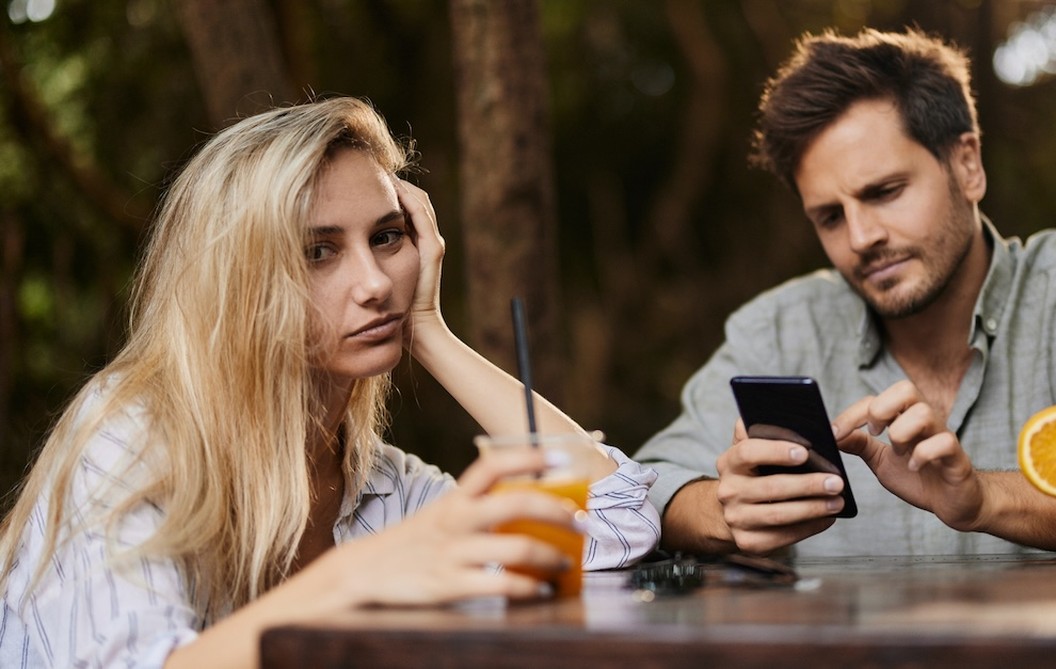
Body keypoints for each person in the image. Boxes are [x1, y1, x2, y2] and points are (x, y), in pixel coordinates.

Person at [0, 97, 659, 668]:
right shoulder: (132, 438)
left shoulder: (377, 485)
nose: (373, 284)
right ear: (237, 282)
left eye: (387, 237)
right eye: (319, 251)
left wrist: (428, 329)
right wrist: (356, 578)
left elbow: (617, 518)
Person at [634, 28, 1056, 559]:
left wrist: (985, 499)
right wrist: (723, 510)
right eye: (830, 217)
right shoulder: (778, 331)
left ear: (967, 165)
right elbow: (644, 489)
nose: (861, 238)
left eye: (885, 192)